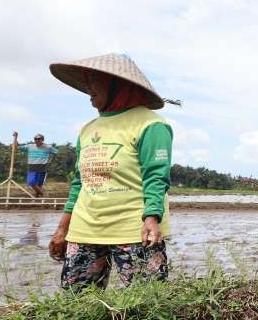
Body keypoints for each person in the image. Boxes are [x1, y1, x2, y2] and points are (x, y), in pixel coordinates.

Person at [46, 53, 174, 290]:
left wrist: (151, 218)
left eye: (95, 80)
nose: (89, 87)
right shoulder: (88, 130)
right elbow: (79, 184)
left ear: (117, 84)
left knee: (147, 305)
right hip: (85, 229)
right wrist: (63, 228)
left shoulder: (150, 125)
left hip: (134, 230)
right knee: (78, 304)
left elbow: (156, 176)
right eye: (87, 81)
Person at [12, 131, 60, 197]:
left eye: (39, 139)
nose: (37, 140)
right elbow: (16, 147)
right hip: (32, 167)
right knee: (31, 182)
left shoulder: (48, 147)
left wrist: (51, 160)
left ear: (42, 140)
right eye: (36, 139)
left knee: (39, 185)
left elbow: (56, 152)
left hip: (43, 167)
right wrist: (16, 137)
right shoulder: (30, 146)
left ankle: (37, 199)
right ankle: (44, 195)